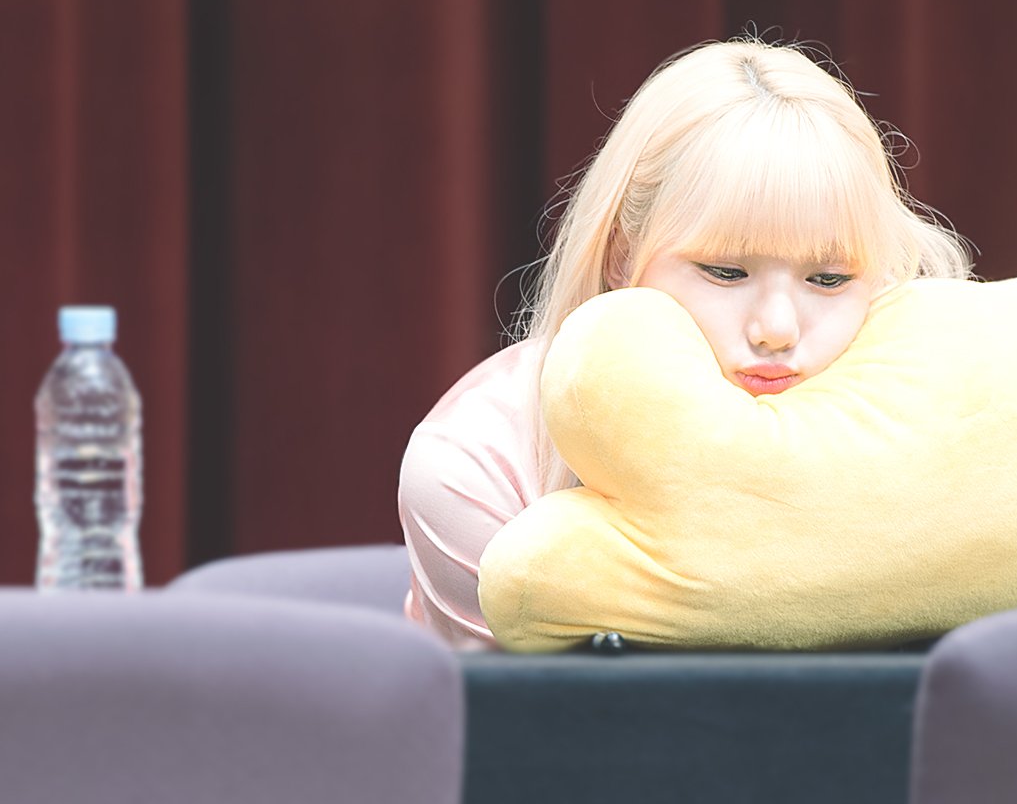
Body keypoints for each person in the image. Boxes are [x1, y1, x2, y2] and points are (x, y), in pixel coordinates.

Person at [397, 37, 973, 649]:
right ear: (621, 258)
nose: (777, 328)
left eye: (828, 279)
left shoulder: (942, 430)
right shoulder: (475, 463)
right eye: (725, 271)